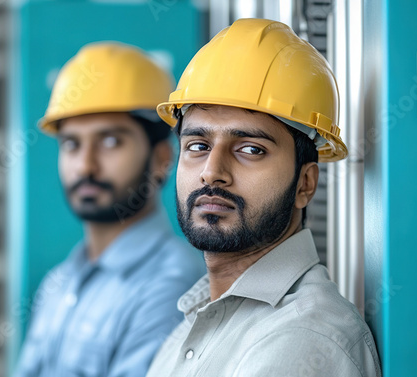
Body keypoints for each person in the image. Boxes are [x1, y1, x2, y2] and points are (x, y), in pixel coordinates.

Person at [146, 18, 381, 377]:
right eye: (197, 145)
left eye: (251, 149)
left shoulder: (301, 340)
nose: (212, 171)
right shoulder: (195, 323)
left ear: (305, 183)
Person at [14, 42, 205, 377]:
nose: (85, 166)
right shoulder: (59, 282)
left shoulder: (174, 287)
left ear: (162, 159)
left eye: (110, 141)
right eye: (72, 144)